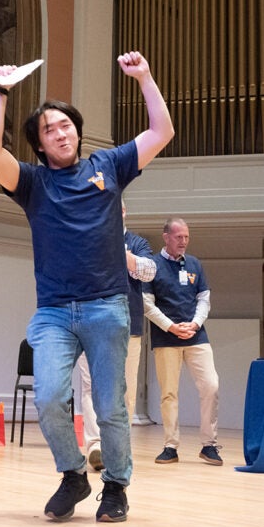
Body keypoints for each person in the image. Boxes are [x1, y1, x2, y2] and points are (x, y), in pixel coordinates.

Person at [0, 51, 174, 523]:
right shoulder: (32, 183)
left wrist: (145, 77)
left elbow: (161, 132)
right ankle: (72, 475)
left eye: (66, 125)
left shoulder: (109, 165)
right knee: (47, 398)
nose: (61, 132)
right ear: (40, 145)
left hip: (107, 306)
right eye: (49, 129)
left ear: (77, 131)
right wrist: (0, 90)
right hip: (53, 313)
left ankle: (117, 488)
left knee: (110, 408)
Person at [78, 202, 156, 471]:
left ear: (123, 212)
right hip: (89, 324)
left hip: (127, 325)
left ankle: (119, 445)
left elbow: (149, 271)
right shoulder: (87, 238)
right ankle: (95, 446)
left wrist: (120, 252)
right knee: (90, 387)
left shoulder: (137, 242)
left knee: (125, 390)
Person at [143, 217, 223, 466]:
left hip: (196, 336)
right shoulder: (152, 265)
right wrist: (170, 326)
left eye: (186, 237)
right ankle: (170, 445)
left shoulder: (195, 264)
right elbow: (146, 303)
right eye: (178, 237)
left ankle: (209, 445)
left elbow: (204, 299)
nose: (183, 241)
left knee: (211, 385)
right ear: (166, 237)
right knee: (169, 393)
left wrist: (195, 323)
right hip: (166, 338)